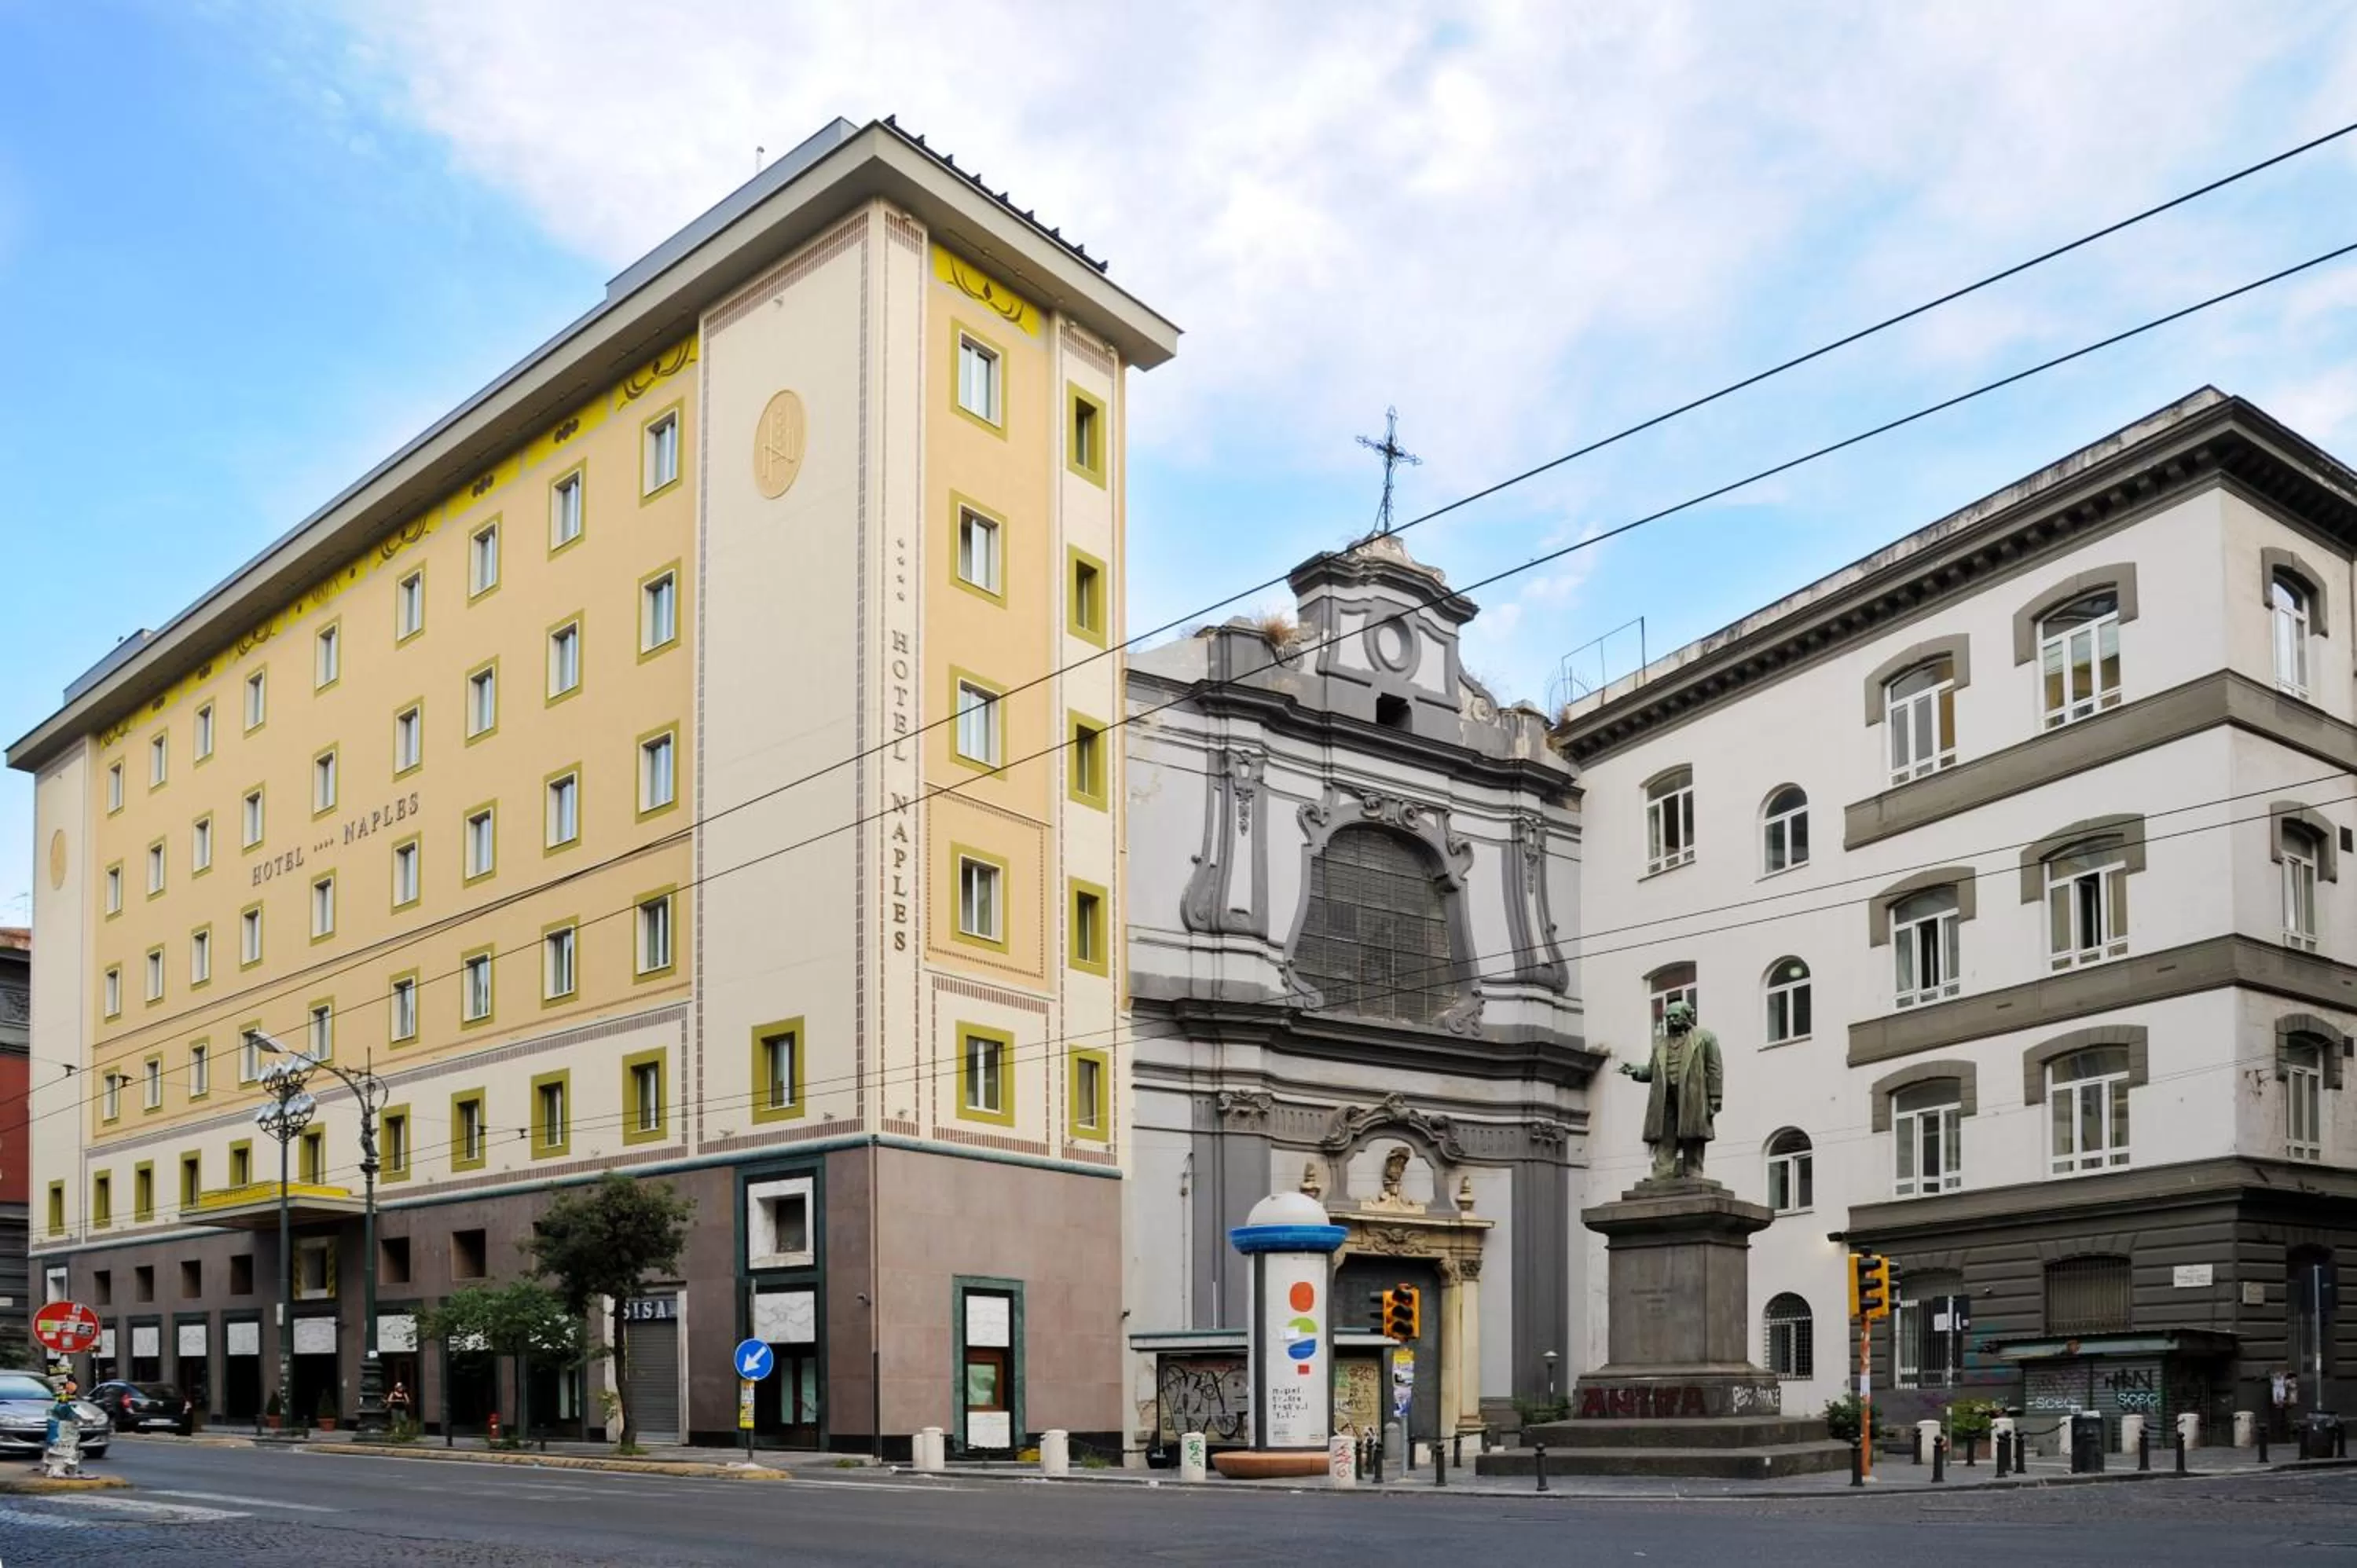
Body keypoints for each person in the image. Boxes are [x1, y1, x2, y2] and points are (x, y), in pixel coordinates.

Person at [1618, 998, 1724, 1180]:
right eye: (1668, 1017)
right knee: (1665, 1134)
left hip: (1693, 1094)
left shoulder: (1705, 1038)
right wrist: (1636, 1070)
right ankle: (1662, 1171)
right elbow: (1652, 1072)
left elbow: (1715, 1069)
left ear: (1687, 1016)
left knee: (1693, 1133)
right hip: (1665, 1094)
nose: (1671, 1020)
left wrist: (1715, 1097)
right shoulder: (1660, 1044)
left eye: (1675, 1016)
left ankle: (1693, 1171)